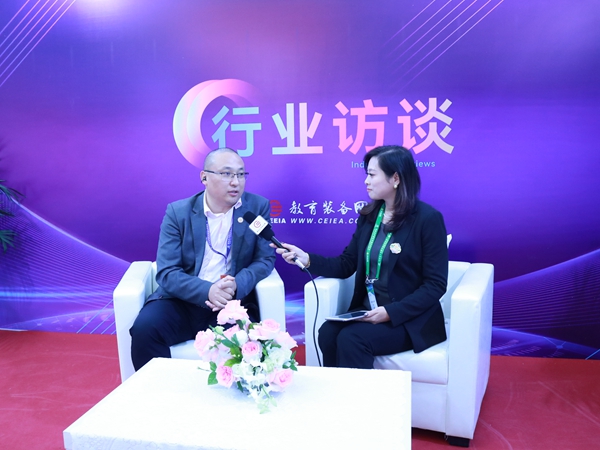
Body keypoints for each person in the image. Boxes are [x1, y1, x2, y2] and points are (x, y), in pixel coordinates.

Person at [274, 145, 448, 369]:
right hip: (369, 311)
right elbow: (346, 263)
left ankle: (360, 394)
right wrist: (306, 259)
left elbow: (435, 285)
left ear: (395, 178)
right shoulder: (369, 216)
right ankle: (337, 390)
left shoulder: (427, 219)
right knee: (327, 333)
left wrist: (390, 312)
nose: (366, 181)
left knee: (353, 339)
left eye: (372, 175)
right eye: (366, 174)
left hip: (409, 319)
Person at [130, 147, 275, 371]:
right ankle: (159, 391)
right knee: (145, 329)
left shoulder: (256, 208)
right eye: (226, 174)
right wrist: (207, 291)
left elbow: (265, 259)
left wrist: (237, 285)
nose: (235, 182)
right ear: (204, 177)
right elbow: (167, 272)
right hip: (180, 301)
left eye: (241, 174)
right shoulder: (178, 212)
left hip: (230, 303)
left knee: (245, 343)